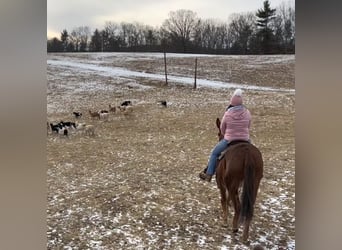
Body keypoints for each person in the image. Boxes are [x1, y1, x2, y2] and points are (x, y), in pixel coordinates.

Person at [199, 88, 251, 182]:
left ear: (232, 103)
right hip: (245, 139)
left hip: (229, 140)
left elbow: (222, 128)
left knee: (214, 153)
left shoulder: (227, 114)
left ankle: (209, 174)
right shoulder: (247, 113)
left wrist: (226, 134)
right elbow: (248, 125)